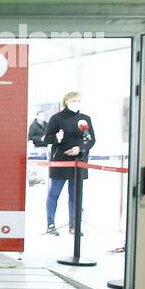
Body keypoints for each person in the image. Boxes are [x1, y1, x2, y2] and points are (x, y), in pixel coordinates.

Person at [43, 91, 96, 236]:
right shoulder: (56, 119)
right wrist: (56, 137)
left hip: (79, 162)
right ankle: (50, 224)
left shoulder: (85, 119)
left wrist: (80, 148)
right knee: (54, 193)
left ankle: (74, 225)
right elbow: (46, 139)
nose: (77, 103)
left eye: (79, 100)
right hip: (60, 161)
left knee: (75, 195)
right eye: (74, 100)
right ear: (66, 101)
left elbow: (91, 140)